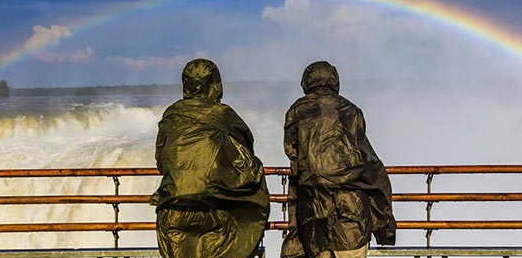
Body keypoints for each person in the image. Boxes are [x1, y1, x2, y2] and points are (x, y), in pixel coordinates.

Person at [151, 58, 270, 258]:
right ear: (215, 83)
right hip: (219, 208)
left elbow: (161, 160)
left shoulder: (171, 114)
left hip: (173, 208)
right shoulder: (223, 114)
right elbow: (246, 149)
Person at [281, 61, 396, 258]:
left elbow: (292, 152)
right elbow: (373, 170)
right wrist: (385, 229)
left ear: (306, 83)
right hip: (352, 221)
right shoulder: (351, 111)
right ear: (335, 82)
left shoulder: (296, 111)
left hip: (314, 219)